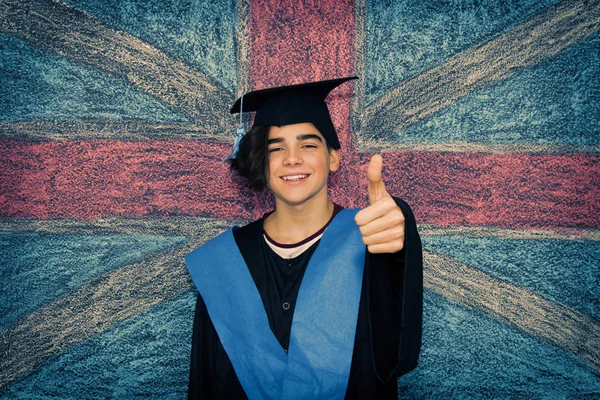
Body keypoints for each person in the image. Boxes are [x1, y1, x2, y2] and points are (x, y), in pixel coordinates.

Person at [185, 77, 422, 399]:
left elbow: (394, 347)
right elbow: (206, 381)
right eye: (275, 148)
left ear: (334, 157)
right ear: (261, 161)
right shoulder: (224, 261)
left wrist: (400, 243)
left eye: (308, 145)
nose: (292, 158)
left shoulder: (372, 237)